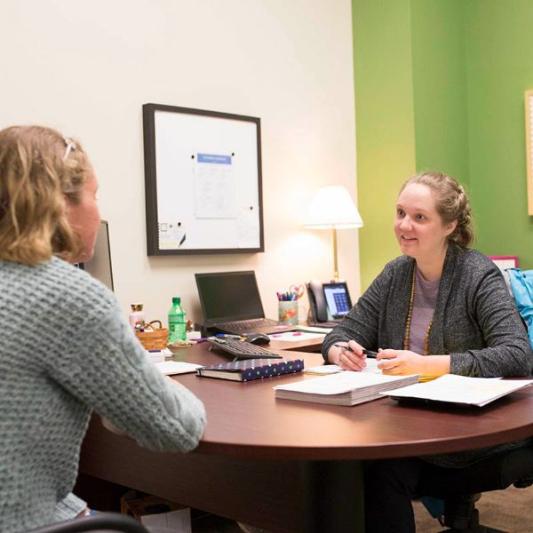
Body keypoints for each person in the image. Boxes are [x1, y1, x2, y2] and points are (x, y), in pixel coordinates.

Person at [0, 125, 206, 532]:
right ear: (59, 203)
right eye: (95, 195)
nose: (98, 211)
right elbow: (176, 429)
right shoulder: (68, 296)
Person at [321, 172, 533, 533]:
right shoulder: (395, 274)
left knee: (376, 470)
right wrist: (339, 350)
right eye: (401, 213)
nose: (405, 225)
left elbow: (517, 354)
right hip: (406, 426)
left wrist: (430, 365)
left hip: (468, 434)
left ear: (450, 225)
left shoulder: (478, 275)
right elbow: (343, 331)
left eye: (420, 217)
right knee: (345, 466)